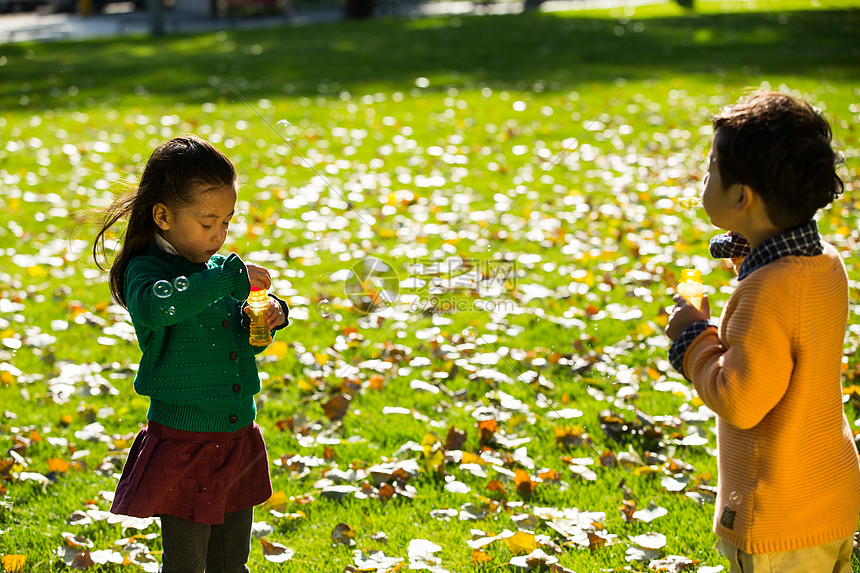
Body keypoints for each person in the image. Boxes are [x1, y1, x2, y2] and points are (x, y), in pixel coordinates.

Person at [665, 91, 860, 573]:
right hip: (830, 499)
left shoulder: (764, 292)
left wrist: (695, 338)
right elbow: (786, 320)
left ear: (741, 197)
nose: (703, 178)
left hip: (775, 516)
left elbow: (741, 400)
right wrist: (749, 253)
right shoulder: (824, 263)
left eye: (710, 170)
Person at [92, 134, 290, 573]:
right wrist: (226, 279)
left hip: (236, 434)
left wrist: (266, 318)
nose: (219, 235)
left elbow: (240, 342)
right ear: (162, 216)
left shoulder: (215, 271)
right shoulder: (148, 272)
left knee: (230, 560)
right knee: (186, 563)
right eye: (207, 223)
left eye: (226, 222)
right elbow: (161, 306)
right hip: (185, 442)